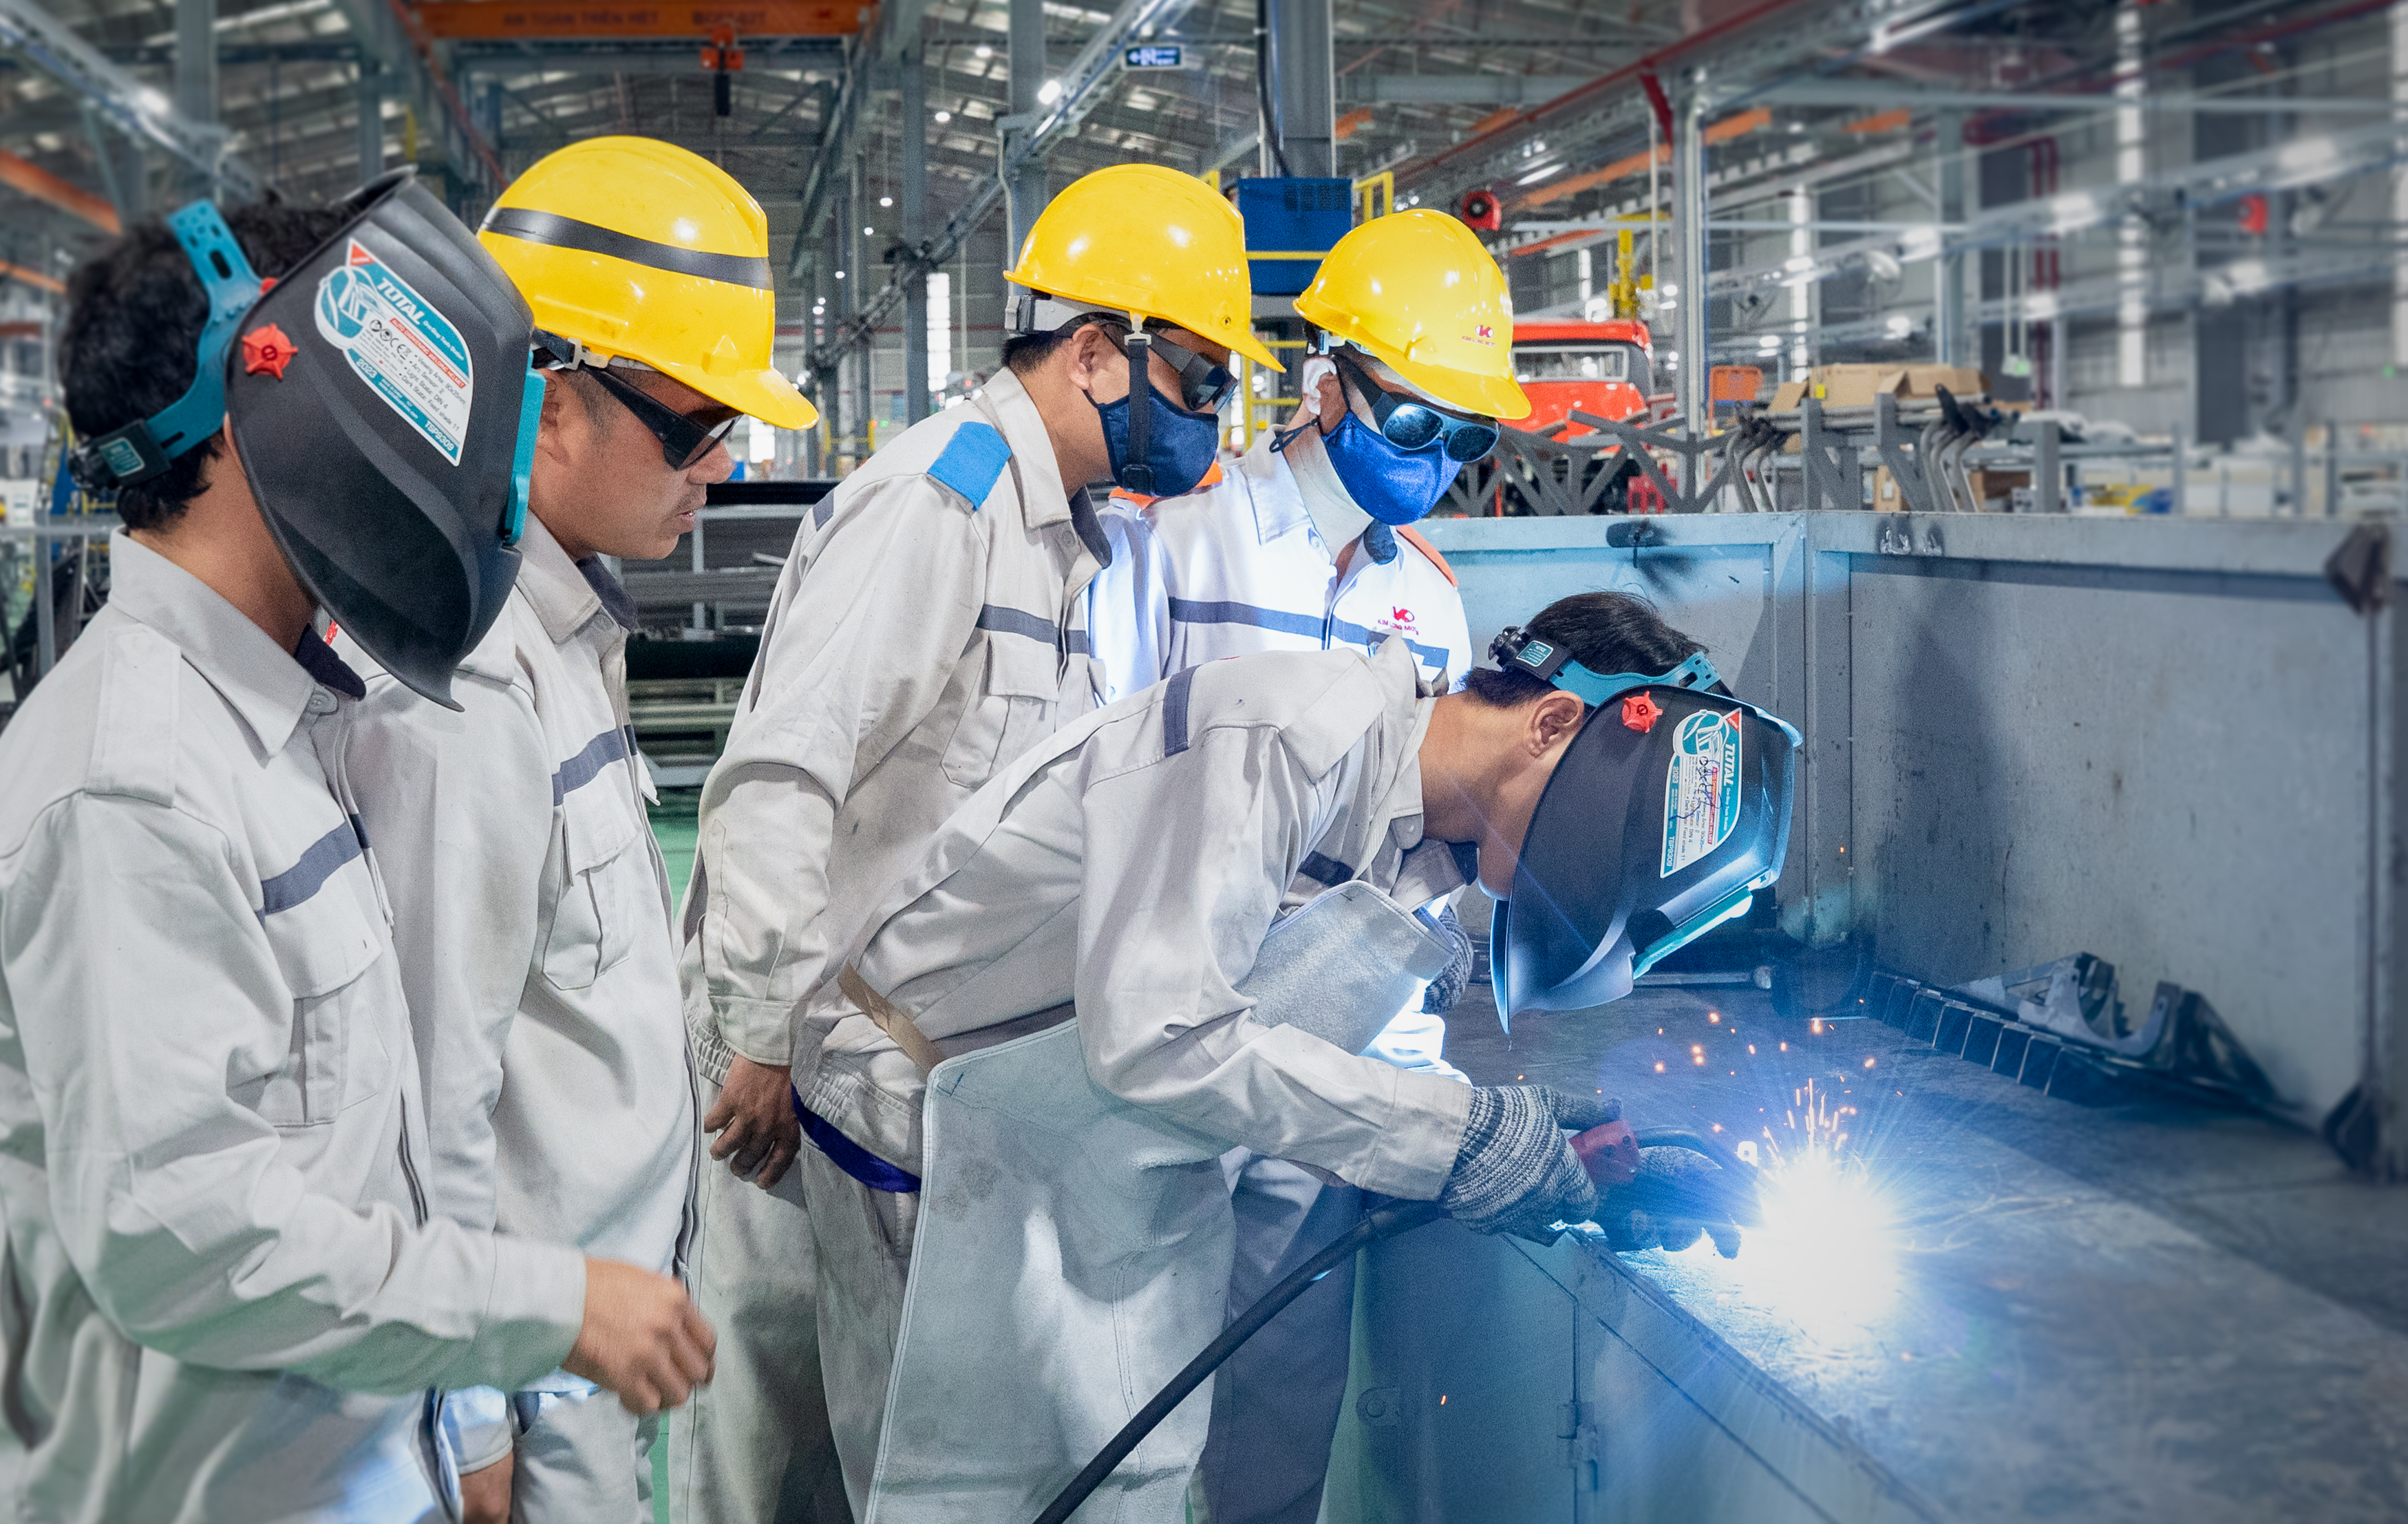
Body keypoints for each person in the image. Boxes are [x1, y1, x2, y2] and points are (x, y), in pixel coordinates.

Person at [0, 180, 714, 1524]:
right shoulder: (139, 784)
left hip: (344, 1469)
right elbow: (183, 1237)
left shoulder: (284, 721)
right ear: (253, 408)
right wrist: (545, 1308)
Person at [797, 591, 1791, 1518]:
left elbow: (1370, 1069)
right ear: (1553, 724)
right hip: (929, 1122)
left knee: (1107, 1486)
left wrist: (1567, 1165)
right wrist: (1462, 1136)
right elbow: (1160, 1036)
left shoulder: (1421, 856)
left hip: (1079, 1145)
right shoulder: (1285, 736)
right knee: (972, 1496)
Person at [679, 162, 1280, 1519]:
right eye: (1194, 379)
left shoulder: (1067, 542)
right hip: (810, 1076)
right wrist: (763, 1037)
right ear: (1093, 353)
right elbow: (780, 778)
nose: (1209, 421)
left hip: (895, 1075)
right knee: (795, 1444)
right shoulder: (938, 512)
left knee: (866, 1436)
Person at [337, 140, 817, 1524]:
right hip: (528, 1373)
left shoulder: (567, 638)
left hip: (596, 1335)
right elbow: (433, 1094)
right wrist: (469, 1423)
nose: (718, 473)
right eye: (693, 430)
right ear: (548, 397)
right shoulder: (471, 692)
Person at [1080, 207, 1530, 1524]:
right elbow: (1100, 785)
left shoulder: (1429, 606)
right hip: (1162, 1034)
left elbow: (1421, 866)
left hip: (1325, 1053)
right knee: (1123, 1392)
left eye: (1467, 438)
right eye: (1412, 424)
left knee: (1280, 1396)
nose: (1435, 462)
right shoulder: (1173, 540)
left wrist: (1410, 1084)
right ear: (1325, 383)